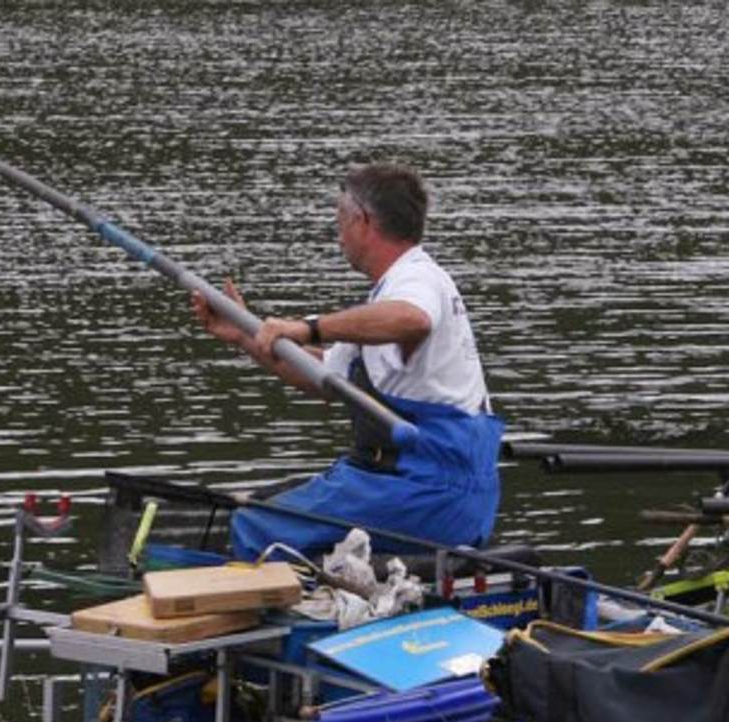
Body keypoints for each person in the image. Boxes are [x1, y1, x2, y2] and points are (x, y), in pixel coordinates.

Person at [190, 162, 502, 561]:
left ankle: (281, 620)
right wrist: (244, 336)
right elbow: (321, 378)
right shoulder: (389, 295)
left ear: (363, 221)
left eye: (340, 220)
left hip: (423, 491)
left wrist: (309, 327)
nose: (337, 235)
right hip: (426, 489)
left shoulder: (417, 280)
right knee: (265, 501)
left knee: (256, 526)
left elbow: (412, 318)